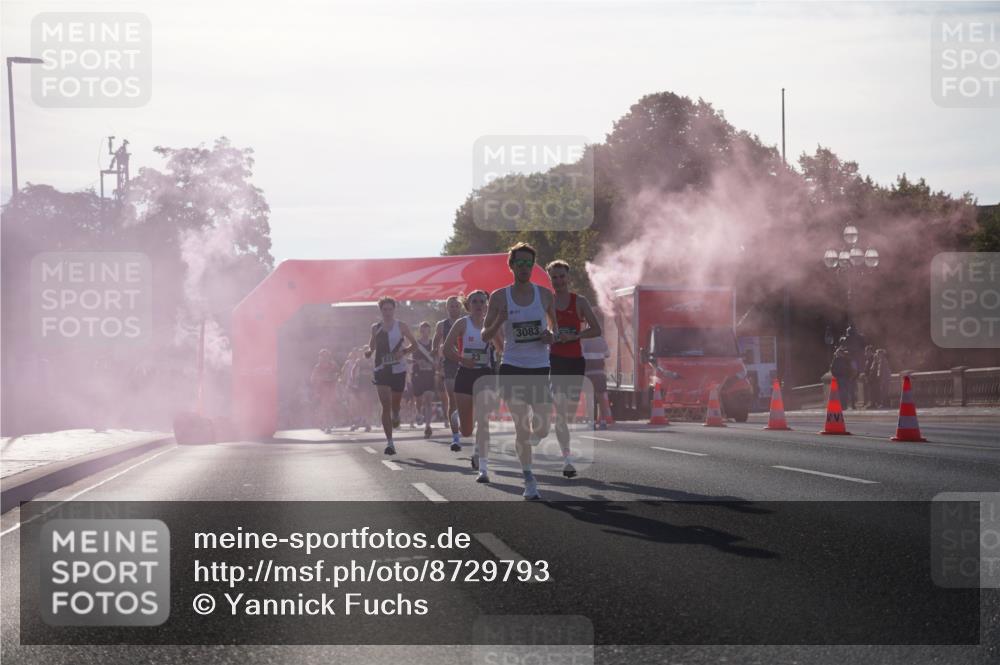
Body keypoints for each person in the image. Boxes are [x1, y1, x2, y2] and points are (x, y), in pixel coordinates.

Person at [482, 242, 559, 500]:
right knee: (521, 427)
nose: (525, 267)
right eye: (520, 263)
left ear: (533, 267)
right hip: (512, 366)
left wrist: (550, 336)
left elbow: (554, 330)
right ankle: (529, 479)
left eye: (529, 263)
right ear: (512, 266)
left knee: (544, 427)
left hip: (539, 367)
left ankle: (535, 440)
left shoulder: (545, 295)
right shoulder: (499, 297)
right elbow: (485, 335)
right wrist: (499, 319)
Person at [546, 260, 602, 478]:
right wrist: (549, 337)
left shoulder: (579, 302)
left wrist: (575, 335)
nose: (559, 281)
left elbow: (596, 329)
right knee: (561, 412)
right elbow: (541, 331)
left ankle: (564, 446)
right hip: (556, 360)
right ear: (550, 279)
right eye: (554, 277)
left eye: (561, 276)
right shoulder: (546, 302)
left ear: (568, 278)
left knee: (567, 414)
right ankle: (567, 458)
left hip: (576, 361)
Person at [443, 290, 500, 482]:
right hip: (465, 374)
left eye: (481, 301)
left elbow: (502, 349)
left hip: (485, 374)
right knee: (467, 430)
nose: (478, 304)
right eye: (474, 301)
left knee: (483, 421)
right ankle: (458, 415)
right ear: (468, 305)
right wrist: (461, 358)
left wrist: (496, 346)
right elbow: (446, 348)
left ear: (486, 305)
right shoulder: (462, 323)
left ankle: (483, 468)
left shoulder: (492, 325)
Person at [365, 297, 420, 455]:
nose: (387, 312)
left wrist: (403, 352)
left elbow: (414, 345)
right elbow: (372, 346)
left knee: (395, 405)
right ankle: (390, 442)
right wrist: (369, 352)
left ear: (394, 310)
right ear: (380, 311)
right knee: (386, 405)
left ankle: (396, 414)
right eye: (384, 309)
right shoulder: (375, 328)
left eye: (390, 309)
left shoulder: (401, 326)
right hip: (381, 369)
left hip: (398, 369)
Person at [433, 296, 464, 448]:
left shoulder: (467, 322)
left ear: (461, 308)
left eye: (456, 306)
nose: (454, 308)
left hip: (466, 363)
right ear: (447, 308)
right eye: (451, 306)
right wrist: (435, 351)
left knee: (466, 398)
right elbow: (436, 339)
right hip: (449, 364)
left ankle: (463, 419)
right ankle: (455, 437)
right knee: (452, 399)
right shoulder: (441, 325)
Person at [411, 321, 438, 439]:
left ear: (429, 331)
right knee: (419, 400)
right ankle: (418, 413)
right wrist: (417, 362)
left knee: (428, 400)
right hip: (418, 375)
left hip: (430, 375)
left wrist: (436, 363)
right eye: (422, 330)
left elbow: (437, 358)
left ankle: (428, 426)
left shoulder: (433, 344)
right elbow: (411, 358)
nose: (424, 333)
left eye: (427, 330)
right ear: (420, 331)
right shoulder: (416, 344)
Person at [582, 334, 613, 429]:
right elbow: (608, 354)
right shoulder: (601, 341)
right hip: (599, 373)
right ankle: (603, 421)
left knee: (589, 399)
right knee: (601, 398)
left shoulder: (583, 341)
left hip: (588, 373)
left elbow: (581, 355)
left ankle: (592, 422)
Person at [309, 349, 338, 433]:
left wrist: (334, 377)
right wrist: (320, 379)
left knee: (330, 406)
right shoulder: (318, 367)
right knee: (325, 406)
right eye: (322, 356)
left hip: (331, 388)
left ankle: (328, 422)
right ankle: (325, 423)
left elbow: (339, 374)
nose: (324, 358)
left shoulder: (333, 365)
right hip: (322, 389)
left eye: (326, 356)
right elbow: (312, 378)